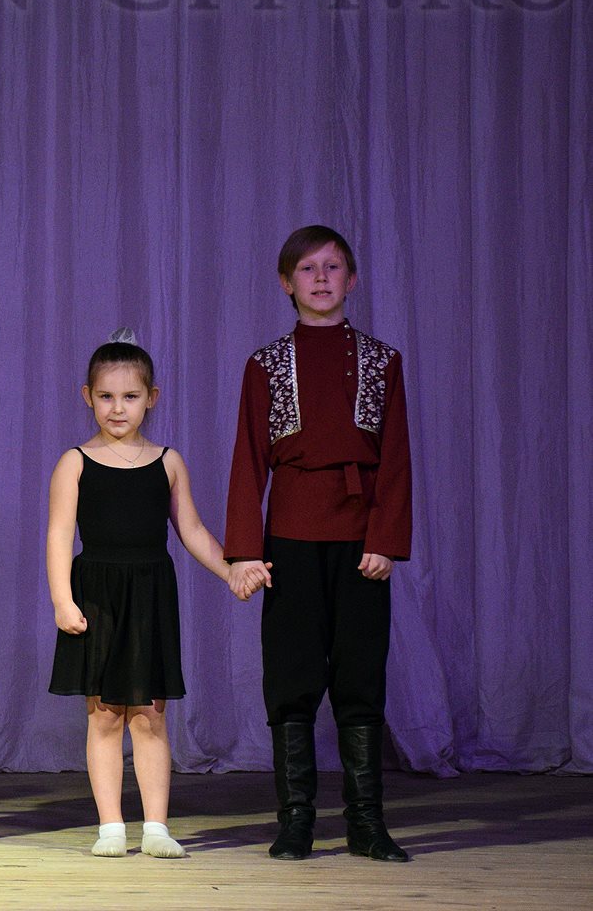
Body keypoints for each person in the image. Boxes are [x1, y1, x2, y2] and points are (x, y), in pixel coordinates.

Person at [224, 225, 412, 862]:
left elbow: (396, 459)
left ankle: (366, 823)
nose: (322, 278)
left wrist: (385, 539)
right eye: (308, 268)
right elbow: (249, 459)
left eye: (333, 267)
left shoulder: (383, 361)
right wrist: (245, 550)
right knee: (292, 675)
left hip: (360, 542)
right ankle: (296, 820)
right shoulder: (266, 364)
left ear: (351, 279)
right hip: (290, 537)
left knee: (360, 674)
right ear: (287, 283)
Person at [47, 329, 251, 858]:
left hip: (149, 595)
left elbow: (193, 531)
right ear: (87, 396)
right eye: (106, 396)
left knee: (150, 713)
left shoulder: (168, 461)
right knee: (104, 713)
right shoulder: (75, 461)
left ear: (151, 398)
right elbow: (59, 534)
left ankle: (157, 826)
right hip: (97, 595)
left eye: (130, 396)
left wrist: (231, 571)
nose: (118, 408)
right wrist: (63, 601)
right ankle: (111, 826)